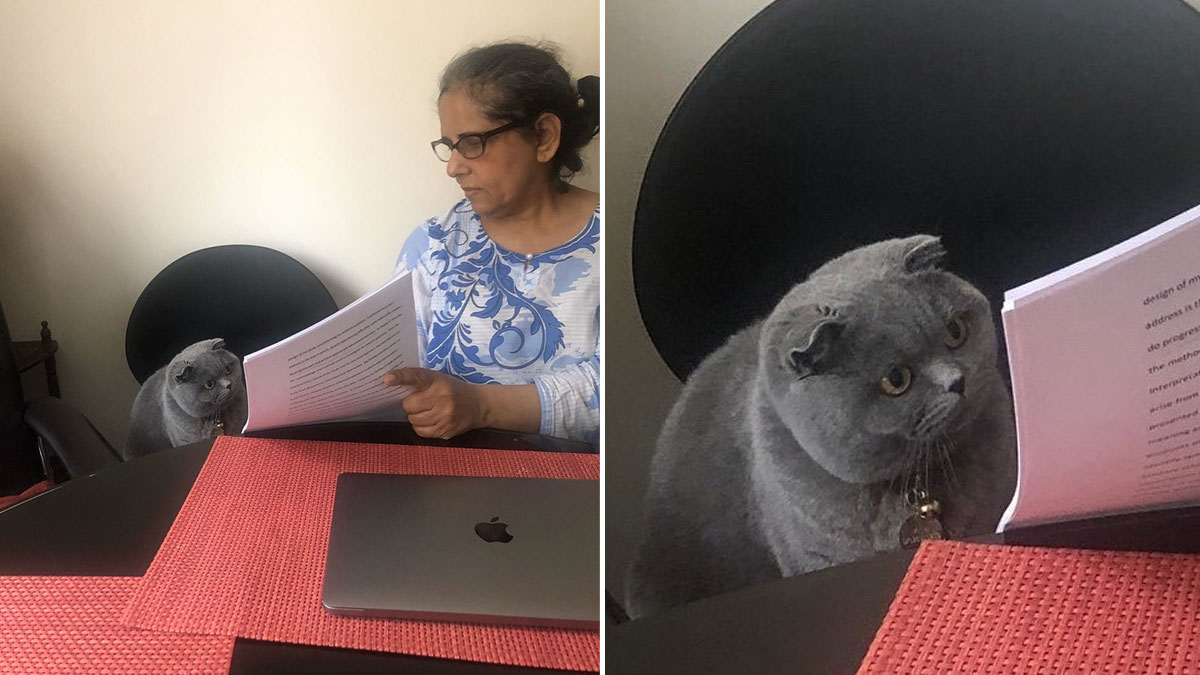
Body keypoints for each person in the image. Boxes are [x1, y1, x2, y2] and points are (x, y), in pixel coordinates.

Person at [384, 42, 600, 445]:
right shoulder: (432, 246)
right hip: (443, 479)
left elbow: (615, 390)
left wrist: (479, 405)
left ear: (544, 136)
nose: (453, 166)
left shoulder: (617, 247)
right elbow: (398, 373)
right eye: (449, 145)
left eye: (472, 143)